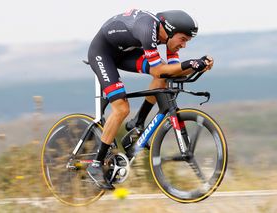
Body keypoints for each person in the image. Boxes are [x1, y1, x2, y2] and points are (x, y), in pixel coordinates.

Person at [86, 9, 214, 189]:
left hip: (126, 52)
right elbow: (158, 70)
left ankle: (137, 123)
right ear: (169, 31)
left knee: (163, 79)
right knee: (121, 108)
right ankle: (96, 165)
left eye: (187, 41)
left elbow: (172, 71)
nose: (184, 45)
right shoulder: (147, 29)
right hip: (103, 53)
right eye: (183, 39)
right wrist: (191, 63)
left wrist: (197, 66)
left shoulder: (167, 38)